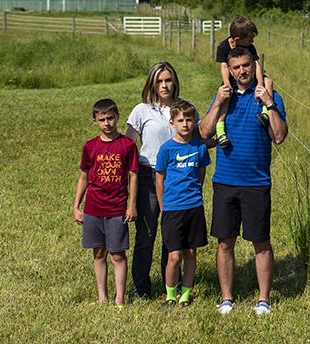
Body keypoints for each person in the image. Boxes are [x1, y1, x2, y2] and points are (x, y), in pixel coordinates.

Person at [199, 47, 288, 316]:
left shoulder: (267, 96)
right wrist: (217, 102)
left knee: (261, 241)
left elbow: (280, 136)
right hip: (225, 181)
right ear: (230, 69)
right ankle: (227, 298)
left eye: (246, 65)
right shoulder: (224, 97)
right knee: (225, 242)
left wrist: (269, 102)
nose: (242, 71)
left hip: (256, 181)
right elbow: (204, 134)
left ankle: (263, 299)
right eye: (236, 67)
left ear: (254, 65)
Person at [72, 98, 139, 306]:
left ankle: (119, 297)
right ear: (95, 121)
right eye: (102, 120)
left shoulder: (127, 145)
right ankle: (102, 296)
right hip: (93, 208)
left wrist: (132, 205)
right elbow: (83, 177)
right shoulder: (90, 146)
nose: (107, 123)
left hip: (117, 208)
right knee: (99, 252)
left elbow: (133, 175)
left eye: (110, 118)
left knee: (117, 255)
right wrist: (76, 206)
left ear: (118, 117)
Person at [125, 61, 181, 299]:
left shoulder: (183, 109)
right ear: (152, 84)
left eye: (168, 80)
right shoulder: (142, 110)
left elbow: (197, 139)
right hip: (148, 176)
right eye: (159, 81)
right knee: (146, 234)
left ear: (174, 82)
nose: (164, 85)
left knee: (173, 235)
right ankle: (142, 287)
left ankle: (172, 285)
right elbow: (127, 147)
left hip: (177, 178)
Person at [155, 99, 212, 307]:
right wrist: (163, 206)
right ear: (172, 123)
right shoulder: (166, 149)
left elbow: (201, 173)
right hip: (172, 208)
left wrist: (196, 193)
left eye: (189, 119)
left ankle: (186, 294)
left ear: (195, 121)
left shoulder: (199, 148)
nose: (185, 124)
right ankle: (170, 294)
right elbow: (159, 179)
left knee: (190, 253)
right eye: (180, 120)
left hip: (194, 207)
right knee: (174, 255)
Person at [214, 16, 275, 148]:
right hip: (231, 78)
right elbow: (224, 66)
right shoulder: (223, 47)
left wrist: (260, 83)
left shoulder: (250, 48)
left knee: (268, 82)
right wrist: (227, 83)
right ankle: (220, 130)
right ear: (237, 40)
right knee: (225, 98)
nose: (252, 41)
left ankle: (265, 112)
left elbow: (256, 64)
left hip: (250, 77)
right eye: (250, 39)